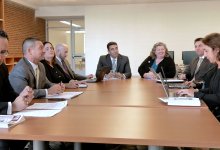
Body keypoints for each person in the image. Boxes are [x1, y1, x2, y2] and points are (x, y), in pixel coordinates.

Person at [0, 30, 34, 150]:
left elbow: (8, 92)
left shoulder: (2, 67)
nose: (2, 57)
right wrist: (12, 106)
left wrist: (22, 97)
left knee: (27, 130)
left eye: (4, 52)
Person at [177, 33, 220, 122]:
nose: (205, 54)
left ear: (216, 50)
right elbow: (212, 90)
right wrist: (194, 91)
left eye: (206, 51)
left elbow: (218, 98)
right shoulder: (217, 67)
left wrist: (196, 94)